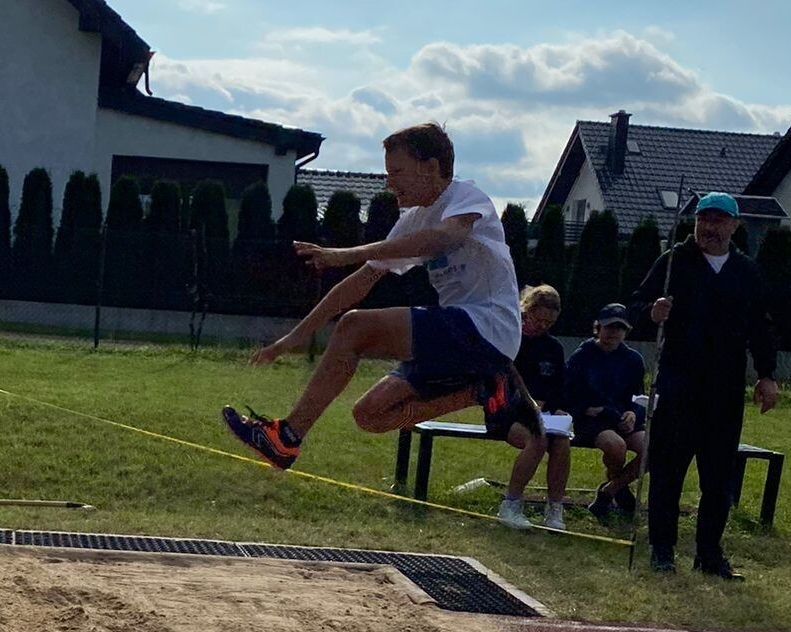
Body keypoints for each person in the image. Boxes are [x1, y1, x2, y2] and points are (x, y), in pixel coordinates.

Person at [222, 122, 534, 467]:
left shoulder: (465, 196)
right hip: (465, 343)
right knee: (370, 415)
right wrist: (292, 338)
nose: (388, 182)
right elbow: (359, 283)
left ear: (431, 167)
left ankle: (287, 438)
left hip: (489, 328)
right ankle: (483, 389)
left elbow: (442, 239)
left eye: (397, 171)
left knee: (355, 327)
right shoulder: (412, 221)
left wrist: (347, 253)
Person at [632, 190, 779, 579]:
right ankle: (662, 549)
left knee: (718, 478)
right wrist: (652, 312)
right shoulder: (673, 262)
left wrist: (767, 374)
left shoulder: (746, 272)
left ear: (734, 225)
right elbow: (634, 306)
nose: (709, 228)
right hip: (678, 384)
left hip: (724, 389)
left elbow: (760, 327)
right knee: (668, 472)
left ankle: (710, 554)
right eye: (703, 219)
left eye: (718, 220)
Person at [494, 284, 571, 533]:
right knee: (537, 440)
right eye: (539, 320)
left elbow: (559, 387)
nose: (542, 326)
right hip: (506, 412)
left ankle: (555, 507)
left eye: (550, 322)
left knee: (562, 441)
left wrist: (557, 408)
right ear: (526, 311)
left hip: (544, 416)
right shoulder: (509, 340)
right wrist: (526, 402)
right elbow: (496, 382)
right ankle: (511, 504)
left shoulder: (554, 348)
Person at [563, 304, 647, 522]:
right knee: (615, 446)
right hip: (593, 421)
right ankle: (620, 490)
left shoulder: (634, 360)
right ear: (598, 328)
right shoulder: (582, 356)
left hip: (622, 418)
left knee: (654, 448)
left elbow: (639, 397)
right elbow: (567, 395)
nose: (613, 332)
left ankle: (611, 489)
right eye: (609, 327)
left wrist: (633, 414)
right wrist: (587, 409)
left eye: (620, 328)